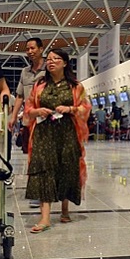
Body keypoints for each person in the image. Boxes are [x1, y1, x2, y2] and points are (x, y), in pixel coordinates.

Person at [24, 48, 91, 233]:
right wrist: (37, 111)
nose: (51, 61)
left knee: (66, 168)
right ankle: (45, 218)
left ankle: (64, 209)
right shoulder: (39, 85)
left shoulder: (76, 86)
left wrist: (70, 109)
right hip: (43, 133)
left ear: (65, 63)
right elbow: (28, 106)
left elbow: (85, 107)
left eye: (56, 59)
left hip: (67, 132)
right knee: (43, 170)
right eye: (49, 59)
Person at [8, 37, 46, 208]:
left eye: (33, 48)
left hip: (47, 121)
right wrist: (13, 116)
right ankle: (37, 190)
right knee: (32, 156)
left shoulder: (49, 68)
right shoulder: (25, 72)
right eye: (27, 49)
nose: (30, 51)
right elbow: (20, 96)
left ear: (41, 49)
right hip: (29, 121)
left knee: (44, 155)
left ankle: (43, 190)